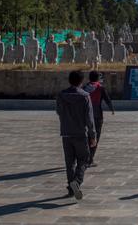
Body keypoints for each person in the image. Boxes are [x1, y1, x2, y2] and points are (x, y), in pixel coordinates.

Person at [56, 71, 97, 200]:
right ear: (81, 82)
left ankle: (71, 189)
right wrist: (93, 136)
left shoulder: (61, 95)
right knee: (84, 159)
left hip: (66, 133)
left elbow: (59, 112)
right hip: (80, 133)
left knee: (70, 163)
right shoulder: (85, 96)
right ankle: (77, 182)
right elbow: (89, 119)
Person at [83, 71, 115, 167]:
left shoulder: (85, 88)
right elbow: (107, 99)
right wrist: (112, 109)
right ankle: (90, 159)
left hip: (85, 115)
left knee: (87, 136)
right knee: (96, 136)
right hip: (97, 116)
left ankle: (85, 158)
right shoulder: (100, 88)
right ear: (98, 78)